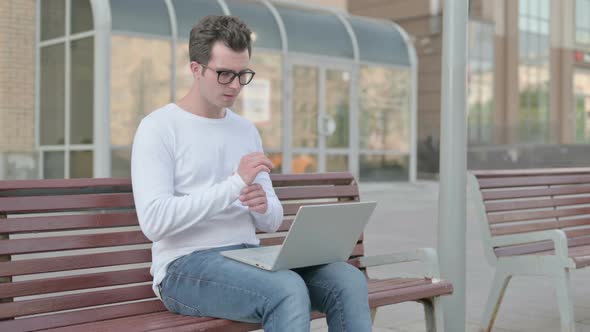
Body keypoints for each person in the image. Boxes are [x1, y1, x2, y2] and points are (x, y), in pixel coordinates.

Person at [131, 15, 372, 332]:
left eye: (242, 74)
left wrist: (261, 207)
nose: (234, 85)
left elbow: (270, 220)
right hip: (184, 266)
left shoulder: (245, 130)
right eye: (224, 74)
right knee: (286, 289)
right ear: (196, 69)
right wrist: (234, 186)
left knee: (348, 279)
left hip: (250, 257)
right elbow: (154, 222)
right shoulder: (159, 127)